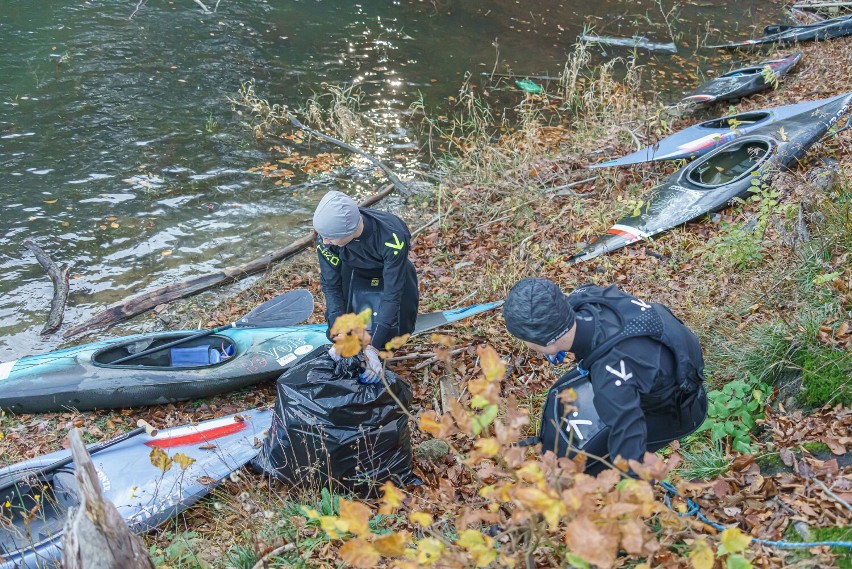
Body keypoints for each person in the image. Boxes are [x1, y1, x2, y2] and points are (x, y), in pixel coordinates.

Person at [503, 277, 707, 474]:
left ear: (545, 343)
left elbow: (631, 455)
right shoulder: (587, 295)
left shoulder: (611, 384)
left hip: (676, 408)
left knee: (583, 466)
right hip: (660, 351)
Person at [313, 190, 419, 384]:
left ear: (349, 232)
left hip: (391, 272)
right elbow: (331, 286)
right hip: (353, 269)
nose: (324, 241)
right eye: (323, 236)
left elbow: (392, 294)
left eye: (329, 238)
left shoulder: (391, 236)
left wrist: (373, 348)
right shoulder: (325, 239)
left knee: (392, 334)